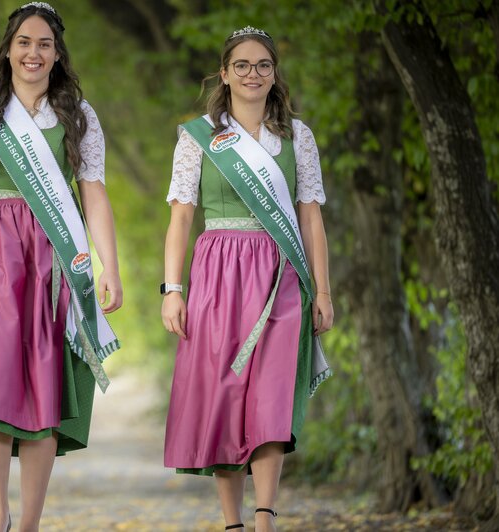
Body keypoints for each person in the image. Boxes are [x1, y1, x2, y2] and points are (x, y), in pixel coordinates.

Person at [0, 3, 122, 531]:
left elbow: (95, 197)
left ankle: (30, 520)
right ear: (8, 50)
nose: (33, 53)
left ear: (57, 55)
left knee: (45, 377)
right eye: (24, 43)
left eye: (44, 44)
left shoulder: (78, 115)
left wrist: (110, 266)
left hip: (56, 255)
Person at [161, 26, 334, 532]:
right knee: (226, 391)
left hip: (281, 272)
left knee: (273, 392)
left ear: (274, 74)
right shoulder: (198, 137)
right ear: (225, 74)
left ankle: (265, 517)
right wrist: (173, 289)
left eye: (262, 65)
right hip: (217, 270)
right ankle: (231, 521)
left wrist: (322, 290)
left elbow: (310, 218)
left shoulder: (297, 136)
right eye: (242, 65)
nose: (253, 74)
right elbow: (180, 218)